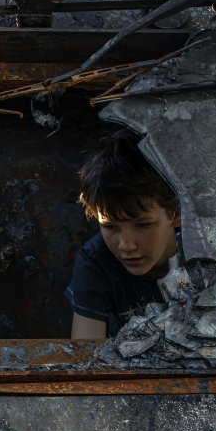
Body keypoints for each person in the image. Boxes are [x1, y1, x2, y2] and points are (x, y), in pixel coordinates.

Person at [66, 134, 181, 339]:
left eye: (142, 224)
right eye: (109, 226)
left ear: (176, 214)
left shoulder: (208, 252)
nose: (126, 246)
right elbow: (85, 358)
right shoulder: (95, 262)